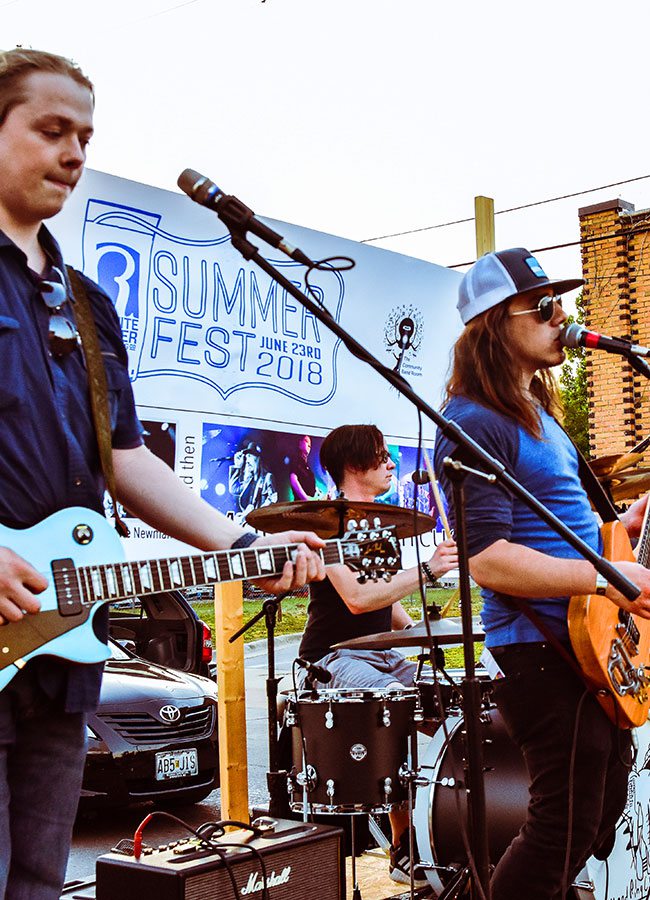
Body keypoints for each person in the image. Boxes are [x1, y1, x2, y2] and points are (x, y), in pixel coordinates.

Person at [0, 47, 325, 900]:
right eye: (50, 129)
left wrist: (247, 540)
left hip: (59, 649)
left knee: (36, 880)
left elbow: (126, 459)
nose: (74, 153)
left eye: (86, 135)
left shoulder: (83, 303)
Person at [433, 247, 650, 899]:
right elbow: (488, 557)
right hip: (543, 651)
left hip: (588, 643)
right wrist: (608, 579)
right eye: (544, 306)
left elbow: (564, 528)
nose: (562, 317)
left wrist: (624, 531)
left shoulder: (540, 419)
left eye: (561, 304)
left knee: (601, 808)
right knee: (559, 829)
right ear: (495, 323)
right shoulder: (474, 422)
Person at [297, 423, 457, 884]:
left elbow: (385, 604)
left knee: (450, 699)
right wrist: (427, 570)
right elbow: (357, 598)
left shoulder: (378, 527)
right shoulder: (324, 526)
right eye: (382, 455)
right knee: (396, 703)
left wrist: (428, 630)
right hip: (331, 658)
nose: (391, 463)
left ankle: (449, 824)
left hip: (379, 653)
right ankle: (403, 846)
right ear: (352, 465)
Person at [228, 440, 278, 522]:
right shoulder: (249, 481)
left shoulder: (267, 477)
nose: (247, 460)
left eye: (250, 456)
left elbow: (273, 499)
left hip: (261, 523)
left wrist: (254, 513)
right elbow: (234, 489)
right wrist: (237, 466)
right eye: (246, 457)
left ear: (258, 459)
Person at [288, 434, 318, 501]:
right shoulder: (295, 461)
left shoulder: (307, 466)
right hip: (302, 505)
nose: (309, 445)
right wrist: (306, 499)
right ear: (300, 443)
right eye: (306, 441)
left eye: (310, 444)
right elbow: (293, 480)